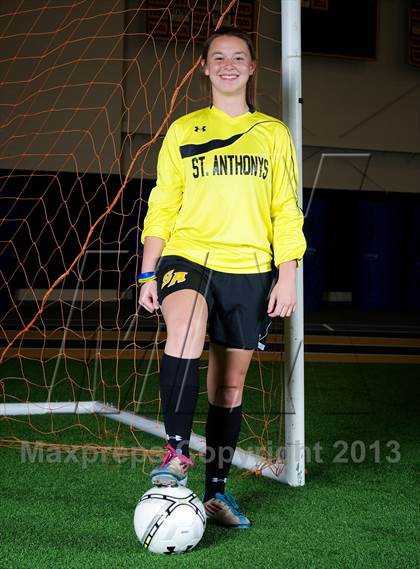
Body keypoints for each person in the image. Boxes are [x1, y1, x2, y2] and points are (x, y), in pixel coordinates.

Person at [138, 26, 306, 529]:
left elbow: (285, 210)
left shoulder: (273, 134)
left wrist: (287, 275)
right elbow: (163, 205)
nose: (229, 64)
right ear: (206, 68)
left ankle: (216, 493)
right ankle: (175, 454)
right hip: (190, 256)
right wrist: (148, 270)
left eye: (239, 57)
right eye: (218, 57)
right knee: (186, 327)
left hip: (252, 267)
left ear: (253, 68)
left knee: (229, 389)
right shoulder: (185, 129)